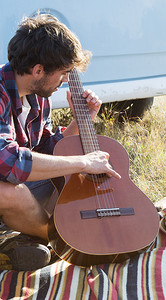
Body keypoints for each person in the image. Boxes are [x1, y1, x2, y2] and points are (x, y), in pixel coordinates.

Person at [0, 14, 120, 271]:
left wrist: (81, 121)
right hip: (6, 186)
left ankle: (26, 243)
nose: (65, 80)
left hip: (13, 182)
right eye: (64, 73)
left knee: (69, 176)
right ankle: (65, 241)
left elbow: (45, 148)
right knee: (12, 194)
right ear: (38, 70)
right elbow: (7, 162)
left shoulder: (37, 95)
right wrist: (83, 161)